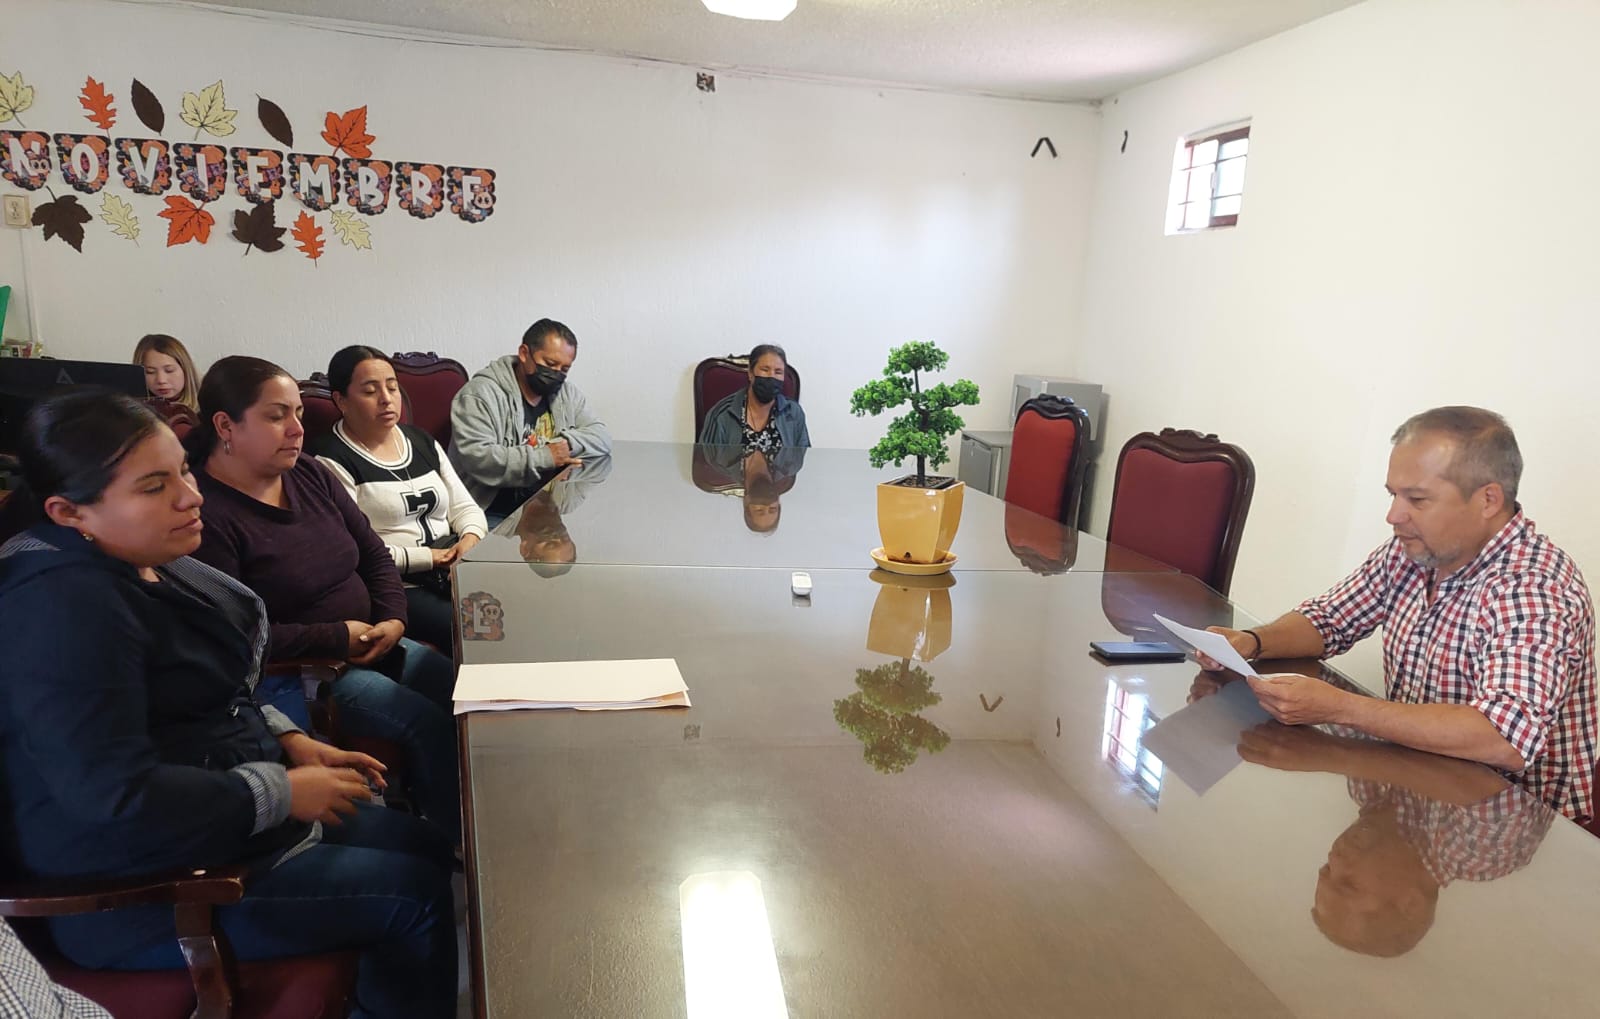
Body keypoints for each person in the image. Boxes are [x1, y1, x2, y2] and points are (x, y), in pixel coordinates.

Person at [0, 390, 456, 1018]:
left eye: (183, 471)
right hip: (141, 890)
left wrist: (291, 740)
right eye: (155, 487)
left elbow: (210, 688)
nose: (191, 496)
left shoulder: (142, 563)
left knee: (423, 845)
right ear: (68, 511)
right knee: (417, 893)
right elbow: (111, 796)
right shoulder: (63, 610)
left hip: (219, 822)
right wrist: (280, 791)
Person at [1200, 406, 1597, 821]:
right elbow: (1328, 619)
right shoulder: (1416, 550)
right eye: (1393, 495)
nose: (1393, 516)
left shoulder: (1534, 585)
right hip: (1414, 786)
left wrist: (1341, 708)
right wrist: (1252, 641)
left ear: (1488, 500)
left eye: (1417, 499)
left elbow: (1504, 738)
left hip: (1507, 822)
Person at [186, 356, 461, 843]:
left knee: (465, 695)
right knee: (427, 724)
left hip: (375, 640)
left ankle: (472, 818)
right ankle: (455, 843)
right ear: (226, 426)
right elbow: (234, 639)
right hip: (307, 673)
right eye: (277, 416)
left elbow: (373, 554)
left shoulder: (308, 473)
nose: (297, 429)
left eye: (297, 413)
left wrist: (394, 618)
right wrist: (334, 637)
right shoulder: (206, 518)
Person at [1236, 721, 1553, 957]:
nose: (1336, 858)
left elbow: (1335, 712)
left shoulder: (1368, 795)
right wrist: (1333, 754)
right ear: (1410, 902)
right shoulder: (1478, 859)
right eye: (1350, 883)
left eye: (1327, 869)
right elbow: (1490, 791)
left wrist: (1251, 687)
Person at [310, 346, 486, 651]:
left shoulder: (421, 441)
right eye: (370, 391)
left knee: (522, 603)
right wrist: (431, 557)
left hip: (452, 568)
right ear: (341, 401)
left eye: (392, 388)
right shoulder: (329, 459)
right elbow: (351, 551)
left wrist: (470, 539)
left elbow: (465, 506)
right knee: (481, 628)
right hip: (399, 585)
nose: (386, 398)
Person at [449, 318, 611, 520]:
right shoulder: (479, 394)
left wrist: (564, 445)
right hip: (488, 511)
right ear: (524, 354)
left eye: (564, 369)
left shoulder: (567, 394)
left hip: (544, 507)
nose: (556, 374)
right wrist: (545, 456)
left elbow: (602, 436)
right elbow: (479, 458)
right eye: (550, 364)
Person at [697, 344, 810, 453]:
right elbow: (705, 461)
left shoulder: (793, 413)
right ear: (750, 373)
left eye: (778, 372)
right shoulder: (722, 414)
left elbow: (803, 458)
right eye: (765, 370)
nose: (771, 376)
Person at [132, 333, 200, 412]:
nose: (161, 380)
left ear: (185, 369)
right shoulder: (132, 411)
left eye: (169, 370)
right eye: (150, 372)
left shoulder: (206, 406)